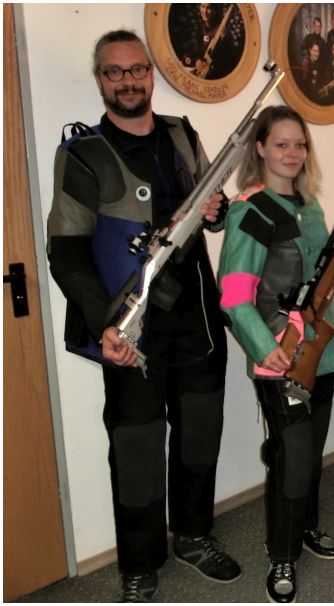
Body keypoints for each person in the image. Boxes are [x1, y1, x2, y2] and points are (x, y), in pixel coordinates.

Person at [47, 30, 241, 602]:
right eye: (115, 72)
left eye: (137, 70)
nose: (128, 80)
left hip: (197, 317)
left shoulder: (182, 135)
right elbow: (66, 251)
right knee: (136, 446)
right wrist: (103, 322)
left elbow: (213, 211)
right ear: (100, 80)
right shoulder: (82, 154)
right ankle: (139, 561)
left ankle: (195, 536)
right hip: (131, 326)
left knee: (199, 434)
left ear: (151, 75)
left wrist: (216, 210)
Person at [217, 105, 334, 604]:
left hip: (321, 351)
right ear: (260, 148)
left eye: (300, 144)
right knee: (292, 458)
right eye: (281, 144)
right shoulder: (251, 209)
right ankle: (282, 554)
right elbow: (235, 296)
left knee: (310, 452)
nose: (293, 153)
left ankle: (306, 525)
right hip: (279, 357)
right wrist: (266, 348)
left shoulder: (309, 206)